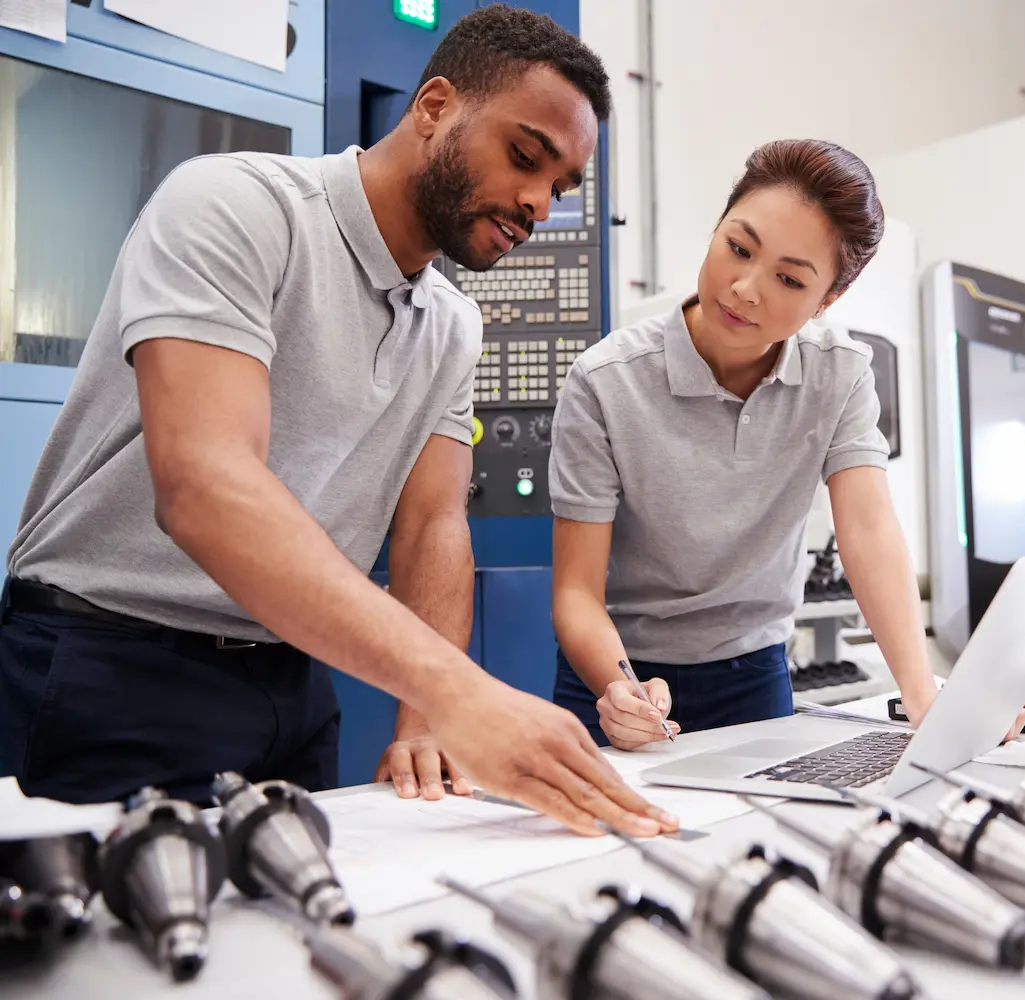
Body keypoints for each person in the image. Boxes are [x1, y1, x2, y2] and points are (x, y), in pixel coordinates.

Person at [0, 6, 674, 839]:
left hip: (289, 689)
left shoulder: (452, 326)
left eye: (560, 187)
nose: (537, 201)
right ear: (433, 107)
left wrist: (425, 715)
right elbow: (206, 485)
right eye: (525, 157)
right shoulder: (236, 207)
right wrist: (461, 691)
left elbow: (433, 526)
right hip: (108, 668)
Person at [549, 139, 953, 750]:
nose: (744, 288)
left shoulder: (839, 374)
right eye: (738, 248)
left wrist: (922, 694)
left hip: (755, 673)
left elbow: (868, 529)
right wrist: (619, 687)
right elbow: (576, 591)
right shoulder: (606, 380)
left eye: (789, 279)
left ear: (827, 300)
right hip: (617, 673)